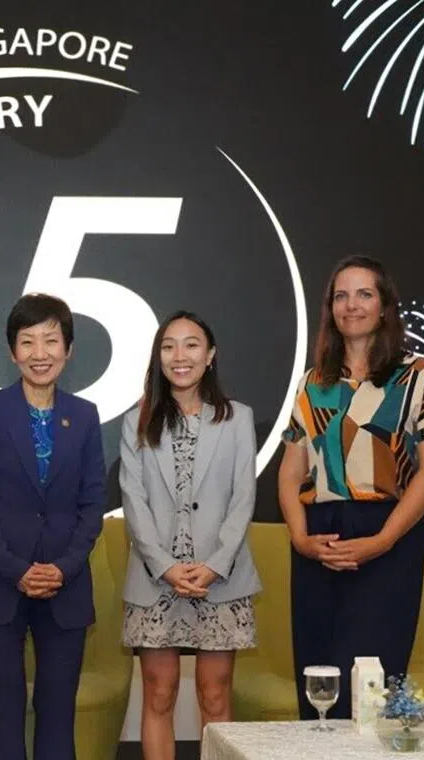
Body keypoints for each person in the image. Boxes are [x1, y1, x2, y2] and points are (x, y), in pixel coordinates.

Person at [279, 255, 424, 719]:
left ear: (385, 307)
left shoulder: (418, 375)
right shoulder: (312, 383)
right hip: (320, 540)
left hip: (389, 536)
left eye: (363, 294)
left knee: (370, 687)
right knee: (319, 686)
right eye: (340, 295)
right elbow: (291, 471)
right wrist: (300, 538)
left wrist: (382, 540)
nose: (350, 305)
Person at [0, 293, 107, 760]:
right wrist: (16, 568)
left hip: (66, 584)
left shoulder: (84, 415)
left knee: (57, 707)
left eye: (51, 340)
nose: (39, 353)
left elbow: (92, 502)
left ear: (69, 349)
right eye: (27, 341)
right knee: (4, 706)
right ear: (11, 351)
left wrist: (62, 567)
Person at [119, 311, 261, 758]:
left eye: (191, 344)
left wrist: (215, 564)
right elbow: (133, 500)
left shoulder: (238, 418)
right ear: (158, 357)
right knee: (158, 695)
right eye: (168, 346)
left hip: (219, 576)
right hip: (155, 575)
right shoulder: (137, 419)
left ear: (210, 354)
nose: (180, 356)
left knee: (214, 697)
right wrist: (163, 565)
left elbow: (244, 499)